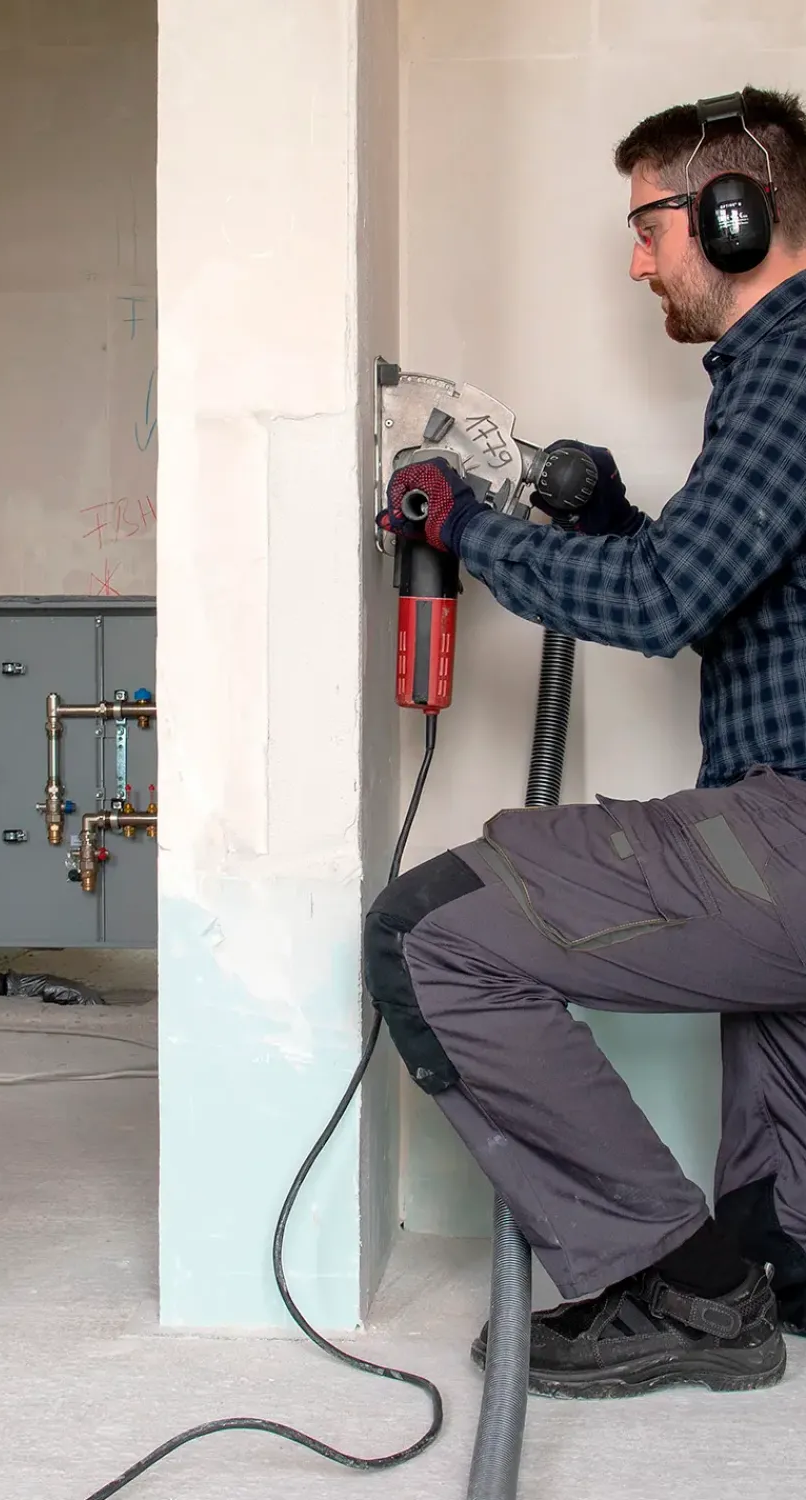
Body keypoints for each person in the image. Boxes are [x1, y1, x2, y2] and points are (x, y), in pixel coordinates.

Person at [368, 85, 806, 1399]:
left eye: (649, 226)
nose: (637, 262)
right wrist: (609, 519)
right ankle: (779, 1266)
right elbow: (717, 598)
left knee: (429, 934)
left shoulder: (792, 364)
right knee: (779, 1046)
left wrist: (468, 530)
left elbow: (666, 602)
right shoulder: (776, 378)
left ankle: (692, 1294)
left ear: (734, 215)